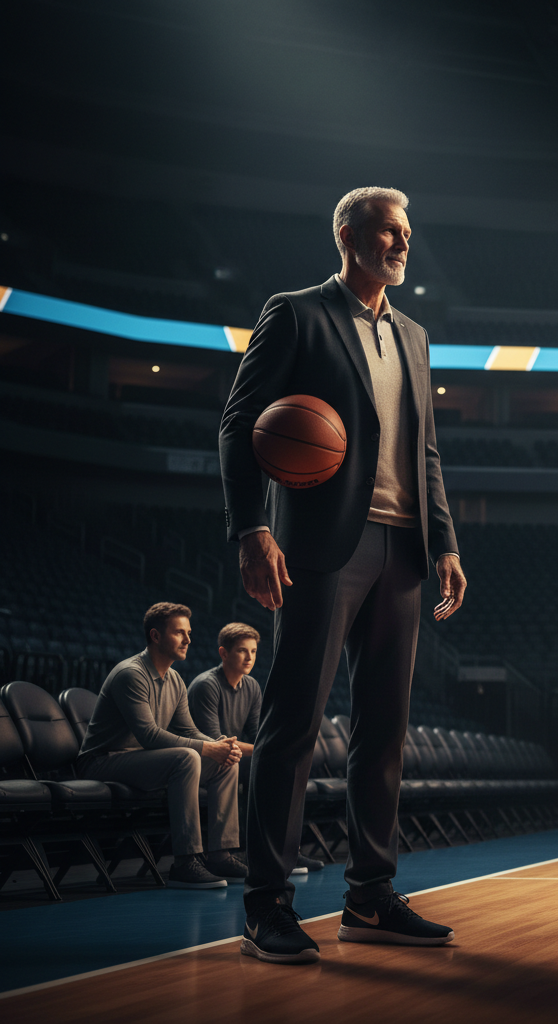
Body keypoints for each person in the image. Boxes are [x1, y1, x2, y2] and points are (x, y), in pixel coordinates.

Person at [220, 186, 467, 964]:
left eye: (407, 233)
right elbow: (239, 422)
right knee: (292, 724)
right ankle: (266, 905)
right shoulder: (296, 313)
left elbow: (424, 451)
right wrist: (253, 527)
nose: (401, 243)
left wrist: (446, 542)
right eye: (388, 231)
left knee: (383, 731)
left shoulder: (416, 336)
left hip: (403, 550)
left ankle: (369, 895)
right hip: (323, 544)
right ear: (348, 234)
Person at [78, 602, 247, 889]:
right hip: (102, 761)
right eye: (180, 633)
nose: (188, 640)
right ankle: (186, 862)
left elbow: (188, 730)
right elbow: (150, 736)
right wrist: (206, 748)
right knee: (187, 757)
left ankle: (220, 855)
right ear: (156, 636)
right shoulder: (131, 674)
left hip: (140, 760)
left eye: (189, 633)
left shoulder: (176, 679)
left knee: (226, 762)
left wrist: (220, 745)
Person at [187, 622, 323, 875]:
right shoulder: (206, 685)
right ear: (224, 653)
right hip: (205, 758)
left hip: (236, 757)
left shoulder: (251, 686)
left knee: (281, 767)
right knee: (259, 762)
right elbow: (217, 742)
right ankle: (251, 853)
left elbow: (260, 735)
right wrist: (267, 750)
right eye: (242, 651)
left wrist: (272, 751)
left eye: (253, 651)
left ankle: (285, 852)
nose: (249, 657)